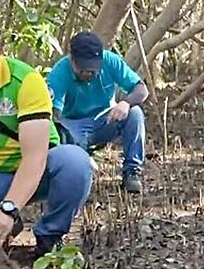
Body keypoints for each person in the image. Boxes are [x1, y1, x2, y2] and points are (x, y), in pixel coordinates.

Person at [0, 12, 93, 257]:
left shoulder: (26, 81)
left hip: (38, 169)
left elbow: (35, 158)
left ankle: (48, 241)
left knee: (74, 162)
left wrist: (8, 209)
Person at [47, 31, 150, 194]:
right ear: (72, 59)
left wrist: (125, 103)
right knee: (63, 133)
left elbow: (141, 90)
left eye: (93, 69)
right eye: (82, 69)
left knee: (135, 113)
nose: (88, 73)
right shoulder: (60, 71)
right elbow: (53, 113)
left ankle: (132, 172)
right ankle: (77, 180)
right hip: (74, 125)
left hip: (106, 119)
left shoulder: (110, 60)